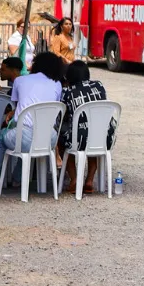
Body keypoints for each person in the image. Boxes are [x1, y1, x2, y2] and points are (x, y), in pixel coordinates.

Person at [0, 52, 65, 191]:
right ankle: (17, 179)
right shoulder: (57, 84)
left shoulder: (20, 81)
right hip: (49, 138)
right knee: (26, 140)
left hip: (24, 136)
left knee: (5, 137)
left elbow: (19, 106)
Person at [57, 60, 112, 195]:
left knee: (63, 139)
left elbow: (63, 116)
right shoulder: (99, 85)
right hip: (104, 138)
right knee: (91, 135)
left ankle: (74, 179)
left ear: (68, 77)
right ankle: (89, 180)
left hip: (79, 140)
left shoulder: (69, 92)